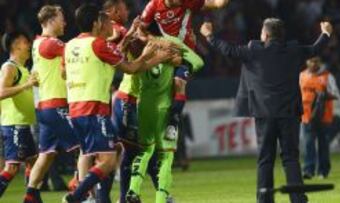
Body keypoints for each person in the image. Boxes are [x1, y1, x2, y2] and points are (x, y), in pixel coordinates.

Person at [200, 18, 333, 203]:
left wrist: (209, 36)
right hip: (289, 114)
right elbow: (314, 49)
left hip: (264, 114)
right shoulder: (293, 50)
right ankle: (298, 199)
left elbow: (228, 50)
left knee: (265, 159)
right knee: (291, 158)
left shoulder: (253, 51)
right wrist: (326, 33)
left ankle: (264, 199)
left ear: (266, 34)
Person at [62, 4, 177, 203]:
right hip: (94, 109)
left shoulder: (71, 44)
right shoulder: (98, 44)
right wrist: (151, 56)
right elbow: (131, 68)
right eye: (107, 22)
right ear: (97, 23)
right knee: (108, 161)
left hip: (76, 109)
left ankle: (97, 198)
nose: (111, 26)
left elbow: (114, 54)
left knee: (109, 151)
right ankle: (76, 197)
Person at [125, 23, 204, 203]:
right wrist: (182, 64)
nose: (137, 33)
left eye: (139, 30)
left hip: (144, 105)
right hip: (165, 107)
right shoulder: (171, 44)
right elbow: (199, 62)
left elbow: (134, 80)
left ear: (145, 32)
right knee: (166, 155)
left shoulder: (136, 48)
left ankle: (133, 191)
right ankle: (161, 199)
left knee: (144, 151)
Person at [140, 0, 230, 140]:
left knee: (179, 83)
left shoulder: (189, 2)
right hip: (166, 51)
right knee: (163, 93)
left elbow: (218, 4)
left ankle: (173, 124)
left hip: (186, 53)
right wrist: (158, 41)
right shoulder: (153, 6)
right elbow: (141, 31)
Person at [23, 5, 80, 203]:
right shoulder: (51, 44)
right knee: (85, 148)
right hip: (56, 106)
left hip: (45, 108)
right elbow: (79, 51)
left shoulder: (38, 44)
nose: (64, 22)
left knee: (46, 155)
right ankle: (81, 193)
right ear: (50, 20)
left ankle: (31, 195)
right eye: (61, 18)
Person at [0, 31, 38, 198]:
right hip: (14, 124)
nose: (28, 45)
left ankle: (31, 198)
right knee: (12, 168)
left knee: (34, 163)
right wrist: (26, 85)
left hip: (23, 124)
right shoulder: (10, 67)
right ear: (15, 45)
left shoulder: (23, 69)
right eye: (25, 42)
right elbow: (1, 92)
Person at [300, 57, 339, 179]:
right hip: (306, 116)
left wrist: (324, 95)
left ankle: (323, 170)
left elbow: (336, 94)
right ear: (307, 62)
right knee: (308, 144)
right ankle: (308, 170)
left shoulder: (327, 76)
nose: (313, 63)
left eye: (316, 61)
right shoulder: (302, 75)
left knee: (323, 144)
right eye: (311, 61)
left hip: (323, 116)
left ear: (320, 62)